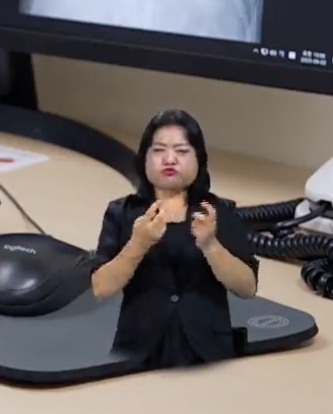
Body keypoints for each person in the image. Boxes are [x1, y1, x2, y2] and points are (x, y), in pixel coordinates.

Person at [89, 109, 260, 368]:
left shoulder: (217, 211)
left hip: (209, 352)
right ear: (144, 159)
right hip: (137, 351)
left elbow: (247, 287)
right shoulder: (122, 212)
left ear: (199, 160)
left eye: (182, 151)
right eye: (159, 150)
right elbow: (101, 287)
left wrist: (210, 245)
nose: (170, 159)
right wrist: (138, 244)